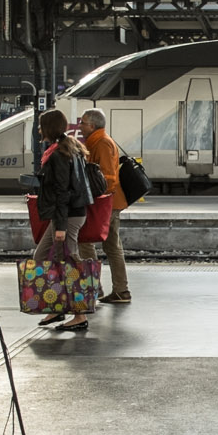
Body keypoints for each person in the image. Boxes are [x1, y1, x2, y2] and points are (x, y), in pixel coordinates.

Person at [34, 109, 96, 332]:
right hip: (64, 214)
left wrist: (60, 227)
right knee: (41, 256)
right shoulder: (63, 149)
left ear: (49, 128)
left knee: (69, 263)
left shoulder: (60, 154)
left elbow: (62, 192)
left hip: (68, 217)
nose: (39, 130)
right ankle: (58, 306)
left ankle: (80, 315)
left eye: (42, 126)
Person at [78, 108, 132, 305]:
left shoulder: (101, 143)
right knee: (110, 245)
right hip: (108, 202)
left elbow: (108, 178)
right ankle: (118, 290)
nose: (80, 126)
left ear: (92, 125)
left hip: (105, 203)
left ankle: (96, 288)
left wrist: (92, 195)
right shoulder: (98, 142)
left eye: (83, 123)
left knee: (85, 241)